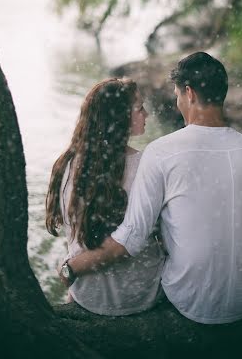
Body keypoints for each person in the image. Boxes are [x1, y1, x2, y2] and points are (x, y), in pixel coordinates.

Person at [61, 52, 242, 325]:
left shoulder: (161, 152)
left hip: (189, 299)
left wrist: (73, 267)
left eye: (177, 95)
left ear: (189, 94)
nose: (177, 103)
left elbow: (132, 237)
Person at [46, 77, 165, 316]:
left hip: (88, 294)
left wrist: (72, 270)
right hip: (141, 293)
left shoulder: (66, 165)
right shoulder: (145, 165)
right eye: (140, 108)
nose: (147, 114)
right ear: (119, 119)